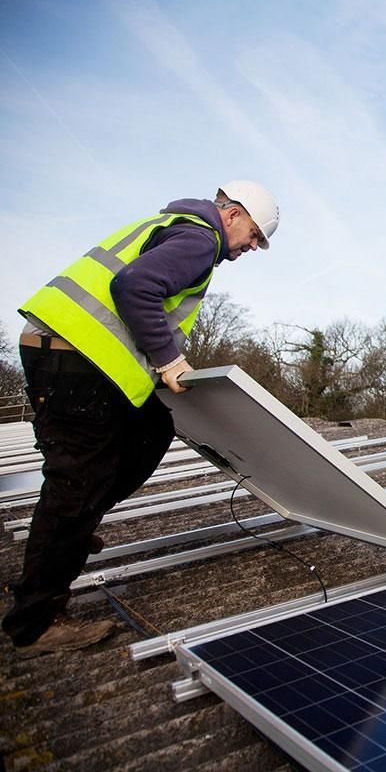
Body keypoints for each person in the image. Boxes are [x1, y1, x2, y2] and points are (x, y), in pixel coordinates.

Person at [3, 181, 280, 657]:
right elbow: (134, 286)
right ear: (232, 214)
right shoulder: (201, 238)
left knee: (151, 430)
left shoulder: (176, 226)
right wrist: (170, 360)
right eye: (253, 234)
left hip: (73, 355)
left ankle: (74, 527)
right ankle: (36, 622)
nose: (251, 247)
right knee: (75, 483)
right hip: (76, 356)